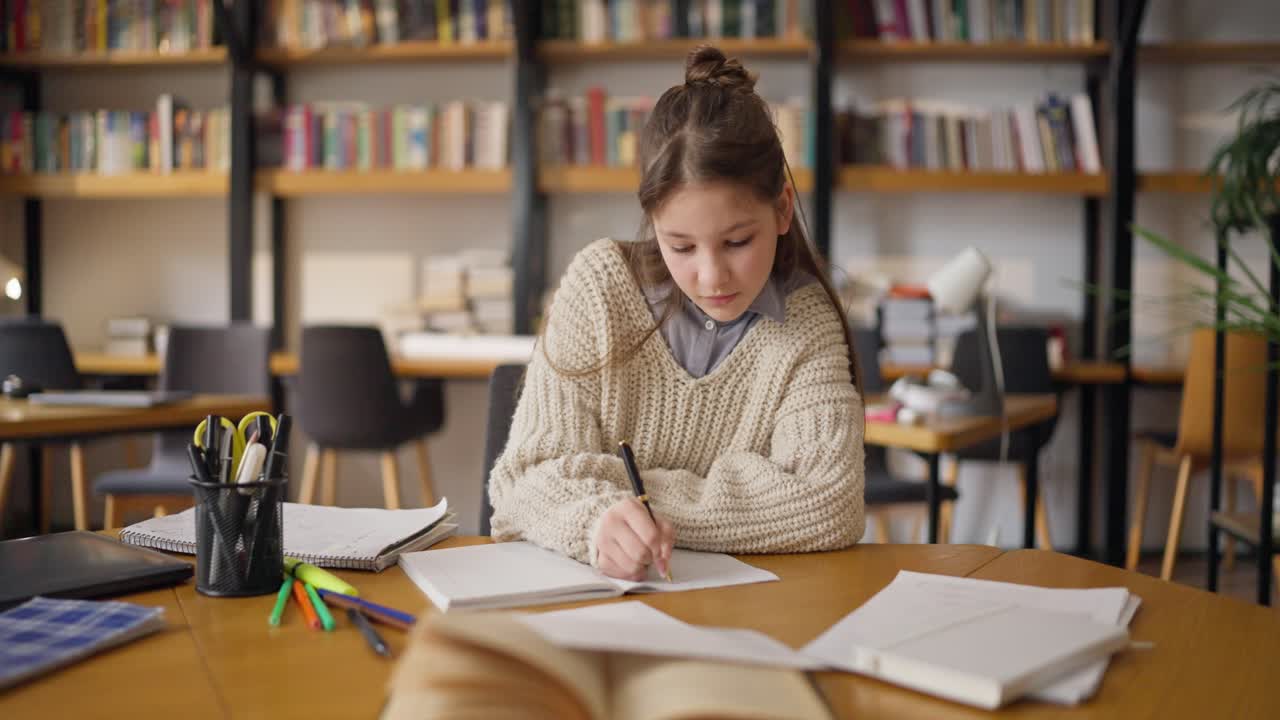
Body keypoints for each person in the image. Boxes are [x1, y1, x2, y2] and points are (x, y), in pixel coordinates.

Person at [489, 45, 865, 580]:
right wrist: (598, 522)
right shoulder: (597, 290)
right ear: (653, 222)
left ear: (782, 209)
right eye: (681, 247)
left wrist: (631, 493)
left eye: (736, 241)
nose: (711, 277)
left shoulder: (805, 322)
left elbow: (829, 506)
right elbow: (520, 481)